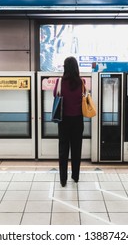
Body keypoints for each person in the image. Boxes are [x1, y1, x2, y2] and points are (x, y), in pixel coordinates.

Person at [53, 56, 84, 187]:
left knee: (63, 149)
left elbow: (55, 95)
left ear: (65, 67)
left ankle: (63, 179)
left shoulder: (59, 81)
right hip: (78, 119)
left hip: (63, 120)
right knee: (76, 148)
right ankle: (75, 177)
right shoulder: (81, 82)